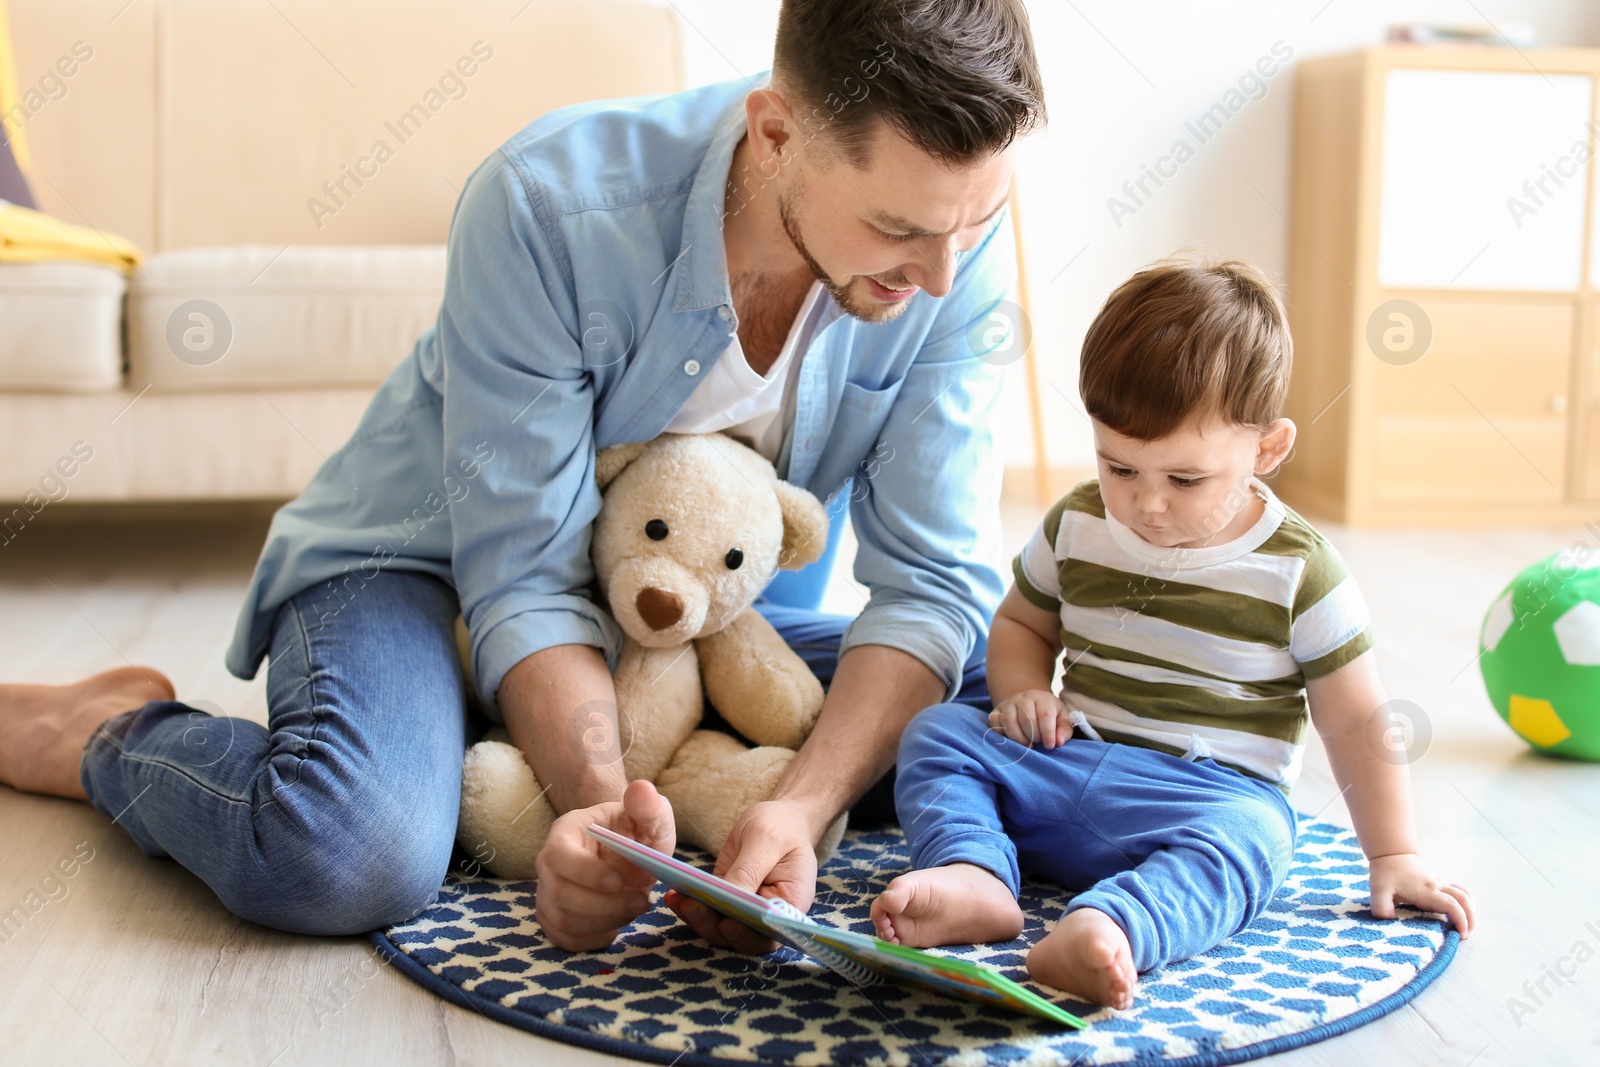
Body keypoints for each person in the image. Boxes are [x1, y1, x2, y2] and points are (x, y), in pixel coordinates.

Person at [0, 0, 1047, 951]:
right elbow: (526, 575)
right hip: (424, 570)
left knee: (1009, 699)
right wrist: (603, 808)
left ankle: (472, 735)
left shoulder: (949, 246)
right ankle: (106, 732)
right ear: (776, 137)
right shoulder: (548, 202)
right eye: (899, 230)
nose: (942, 277)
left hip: (677, 623)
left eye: (975, 222)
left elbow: (930, 584)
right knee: (347, 853)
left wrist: (801, 807)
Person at [870, 259, 1477, 1007]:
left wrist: (1395, 852)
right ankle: (976, 874)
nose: (1145, 503)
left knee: (1260, 838)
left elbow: (1355, 721)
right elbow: (1024, 621)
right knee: (938, 731)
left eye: (1184, 480)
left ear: (1266, 449)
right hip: (1070, 761)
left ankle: (1114, 927)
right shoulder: (1079, 522)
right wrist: (1024, 688)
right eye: (1118, 465)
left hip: (1203, 798)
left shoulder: (1300, 571)